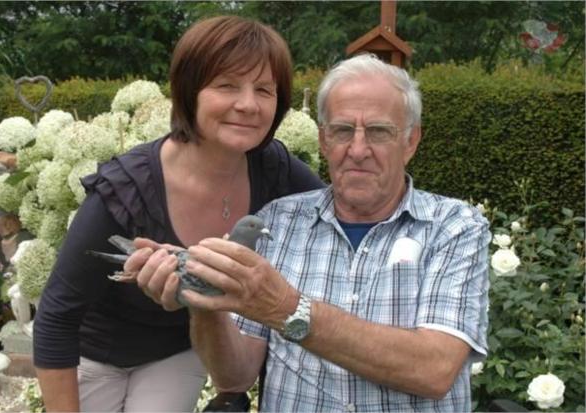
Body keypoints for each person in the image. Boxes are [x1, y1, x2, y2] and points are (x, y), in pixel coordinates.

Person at [133, 53, 491, 412]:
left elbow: (434, 370)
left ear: (410, 141)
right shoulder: (278, 222)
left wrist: (288, 308)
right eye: (342, 130)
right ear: (323, 140)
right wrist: (206, 302)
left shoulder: (453, 227)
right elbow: (235, 378)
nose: (358, 150)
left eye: (379, 132)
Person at [33, 15, 324, 412]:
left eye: (264, 89)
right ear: (189, 91)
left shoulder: (276, 169)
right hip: (94, 354)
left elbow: (339, 215)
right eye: (226, 85)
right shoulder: (125, 188)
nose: (248, 104)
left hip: (177, 353)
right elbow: (56, 316)